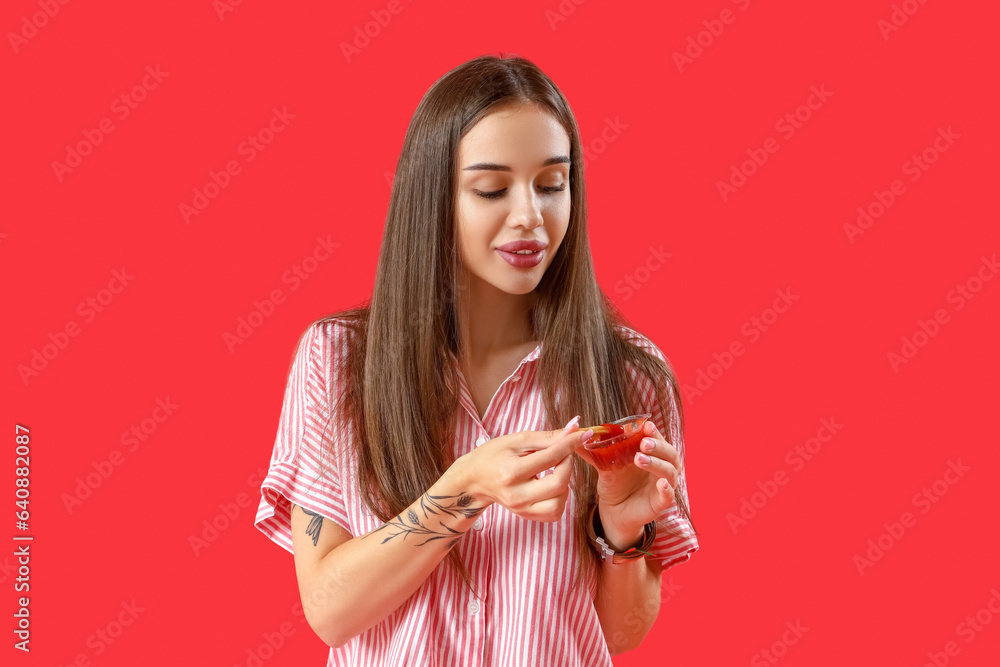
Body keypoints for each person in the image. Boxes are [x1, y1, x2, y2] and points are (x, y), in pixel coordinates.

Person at [253, 53, 699, 666]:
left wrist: (622, 532)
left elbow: (620, 634)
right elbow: (330, 611)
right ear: (433, 199)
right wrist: (465, 489)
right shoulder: (336, 362)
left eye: (551, 184)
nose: (530, 217)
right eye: (491, 189)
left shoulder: (628, 376)